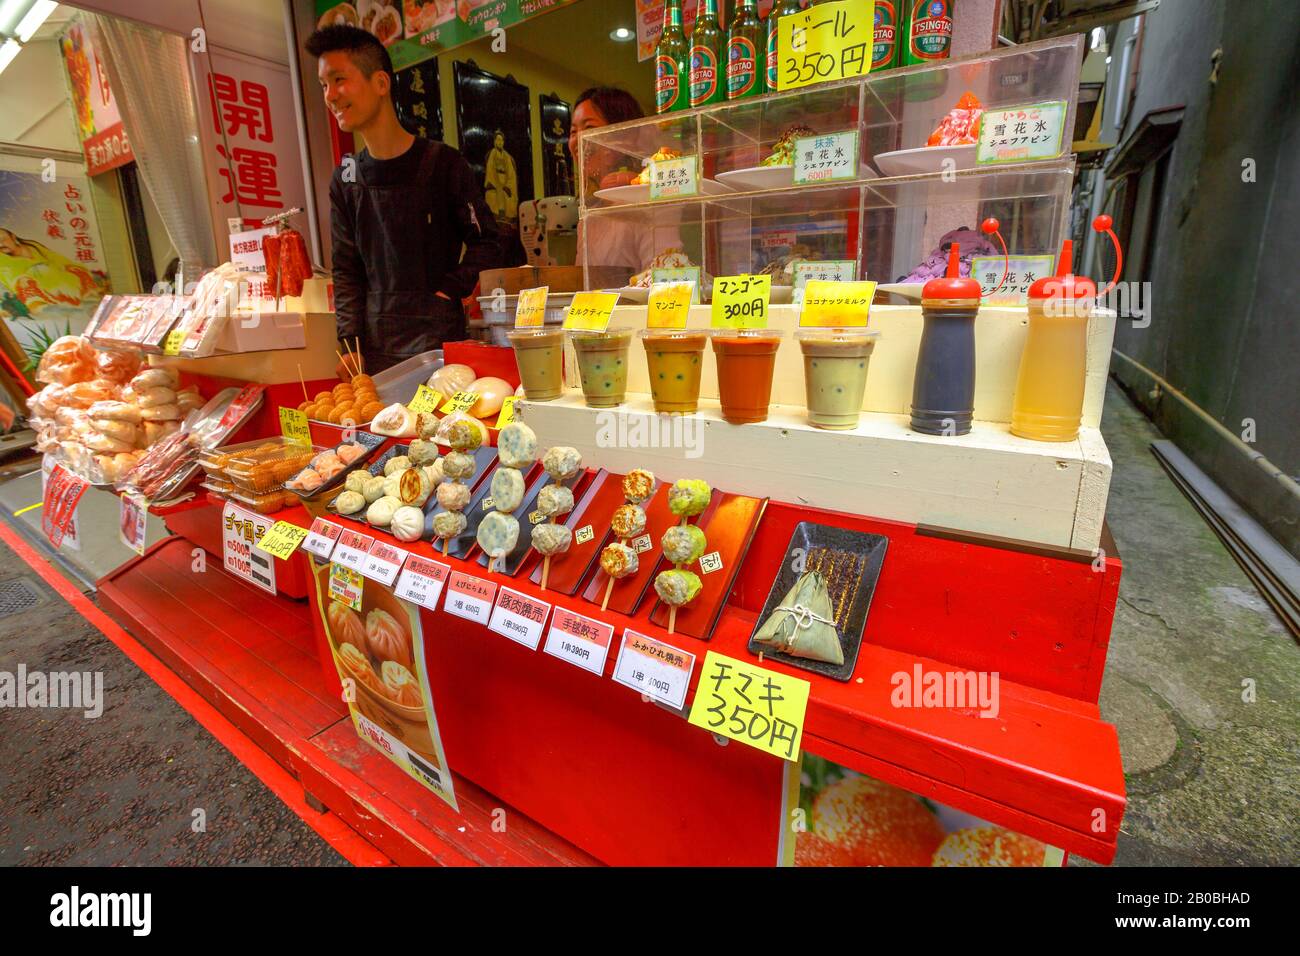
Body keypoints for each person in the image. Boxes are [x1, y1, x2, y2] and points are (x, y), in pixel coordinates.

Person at [307, 24, 499, 375]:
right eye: (323, 85)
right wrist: (348, 343)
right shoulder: (346, 178)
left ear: (381, 83)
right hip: (375, 352)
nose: (330, 95)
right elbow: (347, 269)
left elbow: (488, 240)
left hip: (440, 344)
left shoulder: (444, 163)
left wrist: (451, 288)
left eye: (338, 80)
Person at [569, 87, 682, 275]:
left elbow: (667, 276)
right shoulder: (588, 216)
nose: (578, 140)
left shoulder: (648, 202)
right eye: (573, 131)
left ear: (625, 137)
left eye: (589, 128)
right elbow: (584, 285)